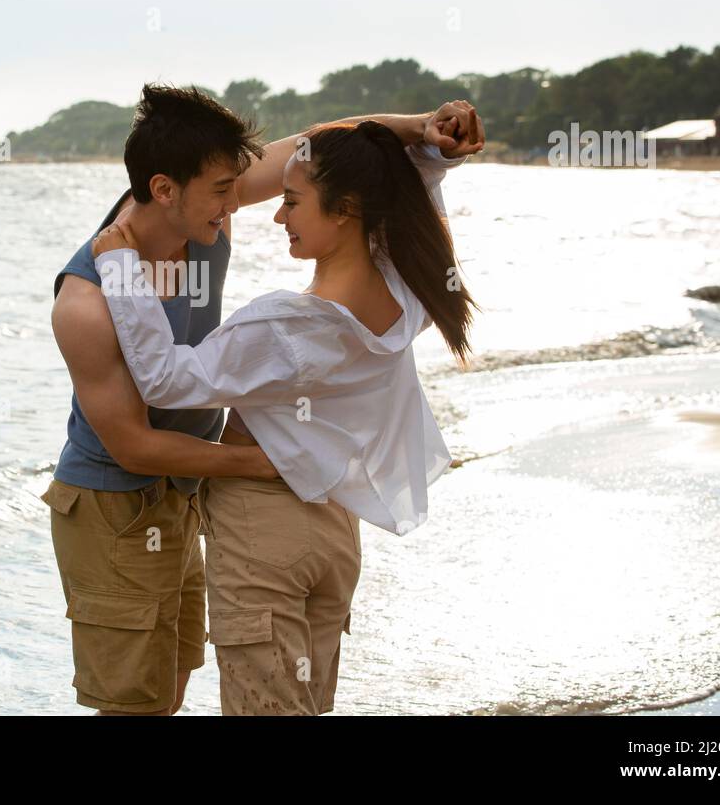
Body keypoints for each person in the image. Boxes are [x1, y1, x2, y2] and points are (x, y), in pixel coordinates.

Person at [43, 83, 482, 715]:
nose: (246, 201)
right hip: (117, 500)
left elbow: (323, 148)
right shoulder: (86, 303)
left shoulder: (208, 219)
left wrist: (420, 131)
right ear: (165, 189)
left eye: (240, 186)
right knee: (133, 704)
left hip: (190, 488)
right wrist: (266, 466)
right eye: (225, 190)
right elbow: (132, 443)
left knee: (170, 689)